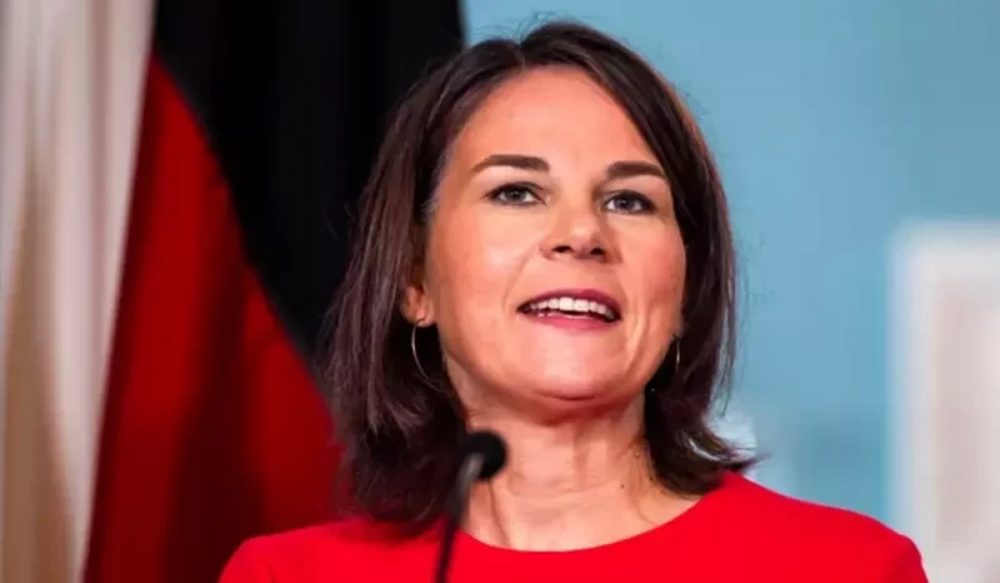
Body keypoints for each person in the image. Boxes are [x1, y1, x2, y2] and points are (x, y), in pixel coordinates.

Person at [220, 21, 926, 582]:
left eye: (629, 200)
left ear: (685, 290)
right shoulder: (287, 576)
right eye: (516, 191)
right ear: (414, 281)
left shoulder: (846, 569)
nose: (582, 233)